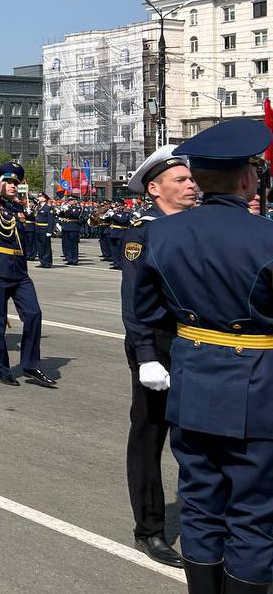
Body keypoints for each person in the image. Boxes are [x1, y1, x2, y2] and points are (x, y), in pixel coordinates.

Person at [134, 119, 273, 594]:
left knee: (198, 501)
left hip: (191, 379)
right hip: (257, 384)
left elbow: (146, 312)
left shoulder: (162, 235)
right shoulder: (265, 236)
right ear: (245, 179)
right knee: (253, 511)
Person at [119, 145, 196, 569]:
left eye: (191, 179)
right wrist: (147, 355)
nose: (191, 185)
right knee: (149, 437)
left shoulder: (197, 226)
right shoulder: (143, 233)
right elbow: (135, 302)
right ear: (155, 188)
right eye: (181, 180)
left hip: (197, 343)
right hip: (159, 346)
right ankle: (149, 529)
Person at [0, 163, 56, 388]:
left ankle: (30, 364)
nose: (14, 186)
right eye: (8, 182)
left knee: (34, 314)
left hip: (19, 270)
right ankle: (1, 369)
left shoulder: (16, 208)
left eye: (16, 182)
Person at [33, 193, 56, 268]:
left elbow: (51, 220)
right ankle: (42, 261)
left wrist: (50, 231)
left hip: (44, 228)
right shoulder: (37, 207)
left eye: (40, 197)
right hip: (37, 228)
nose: (39, 198)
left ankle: (47, 262)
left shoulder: (48, 208)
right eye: (39, 196)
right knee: (39, 246)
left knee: (46, 246)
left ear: (45, 199)